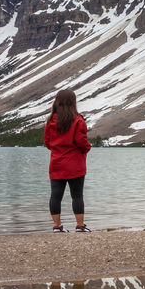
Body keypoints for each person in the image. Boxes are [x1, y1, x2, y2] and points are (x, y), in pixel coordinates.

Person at [44, 88, 91, 232]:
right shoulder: (78, 121)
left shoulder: (50, 121)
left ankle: (57, 227)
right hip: (75, 164)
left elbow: (47, 142)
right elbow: (81, 141)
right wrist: (87, 148)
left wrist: (58, 150)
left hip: (56, 163)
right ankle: (79, 226)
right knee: (77, 196)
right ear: (73, 103)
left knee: (55, 196)